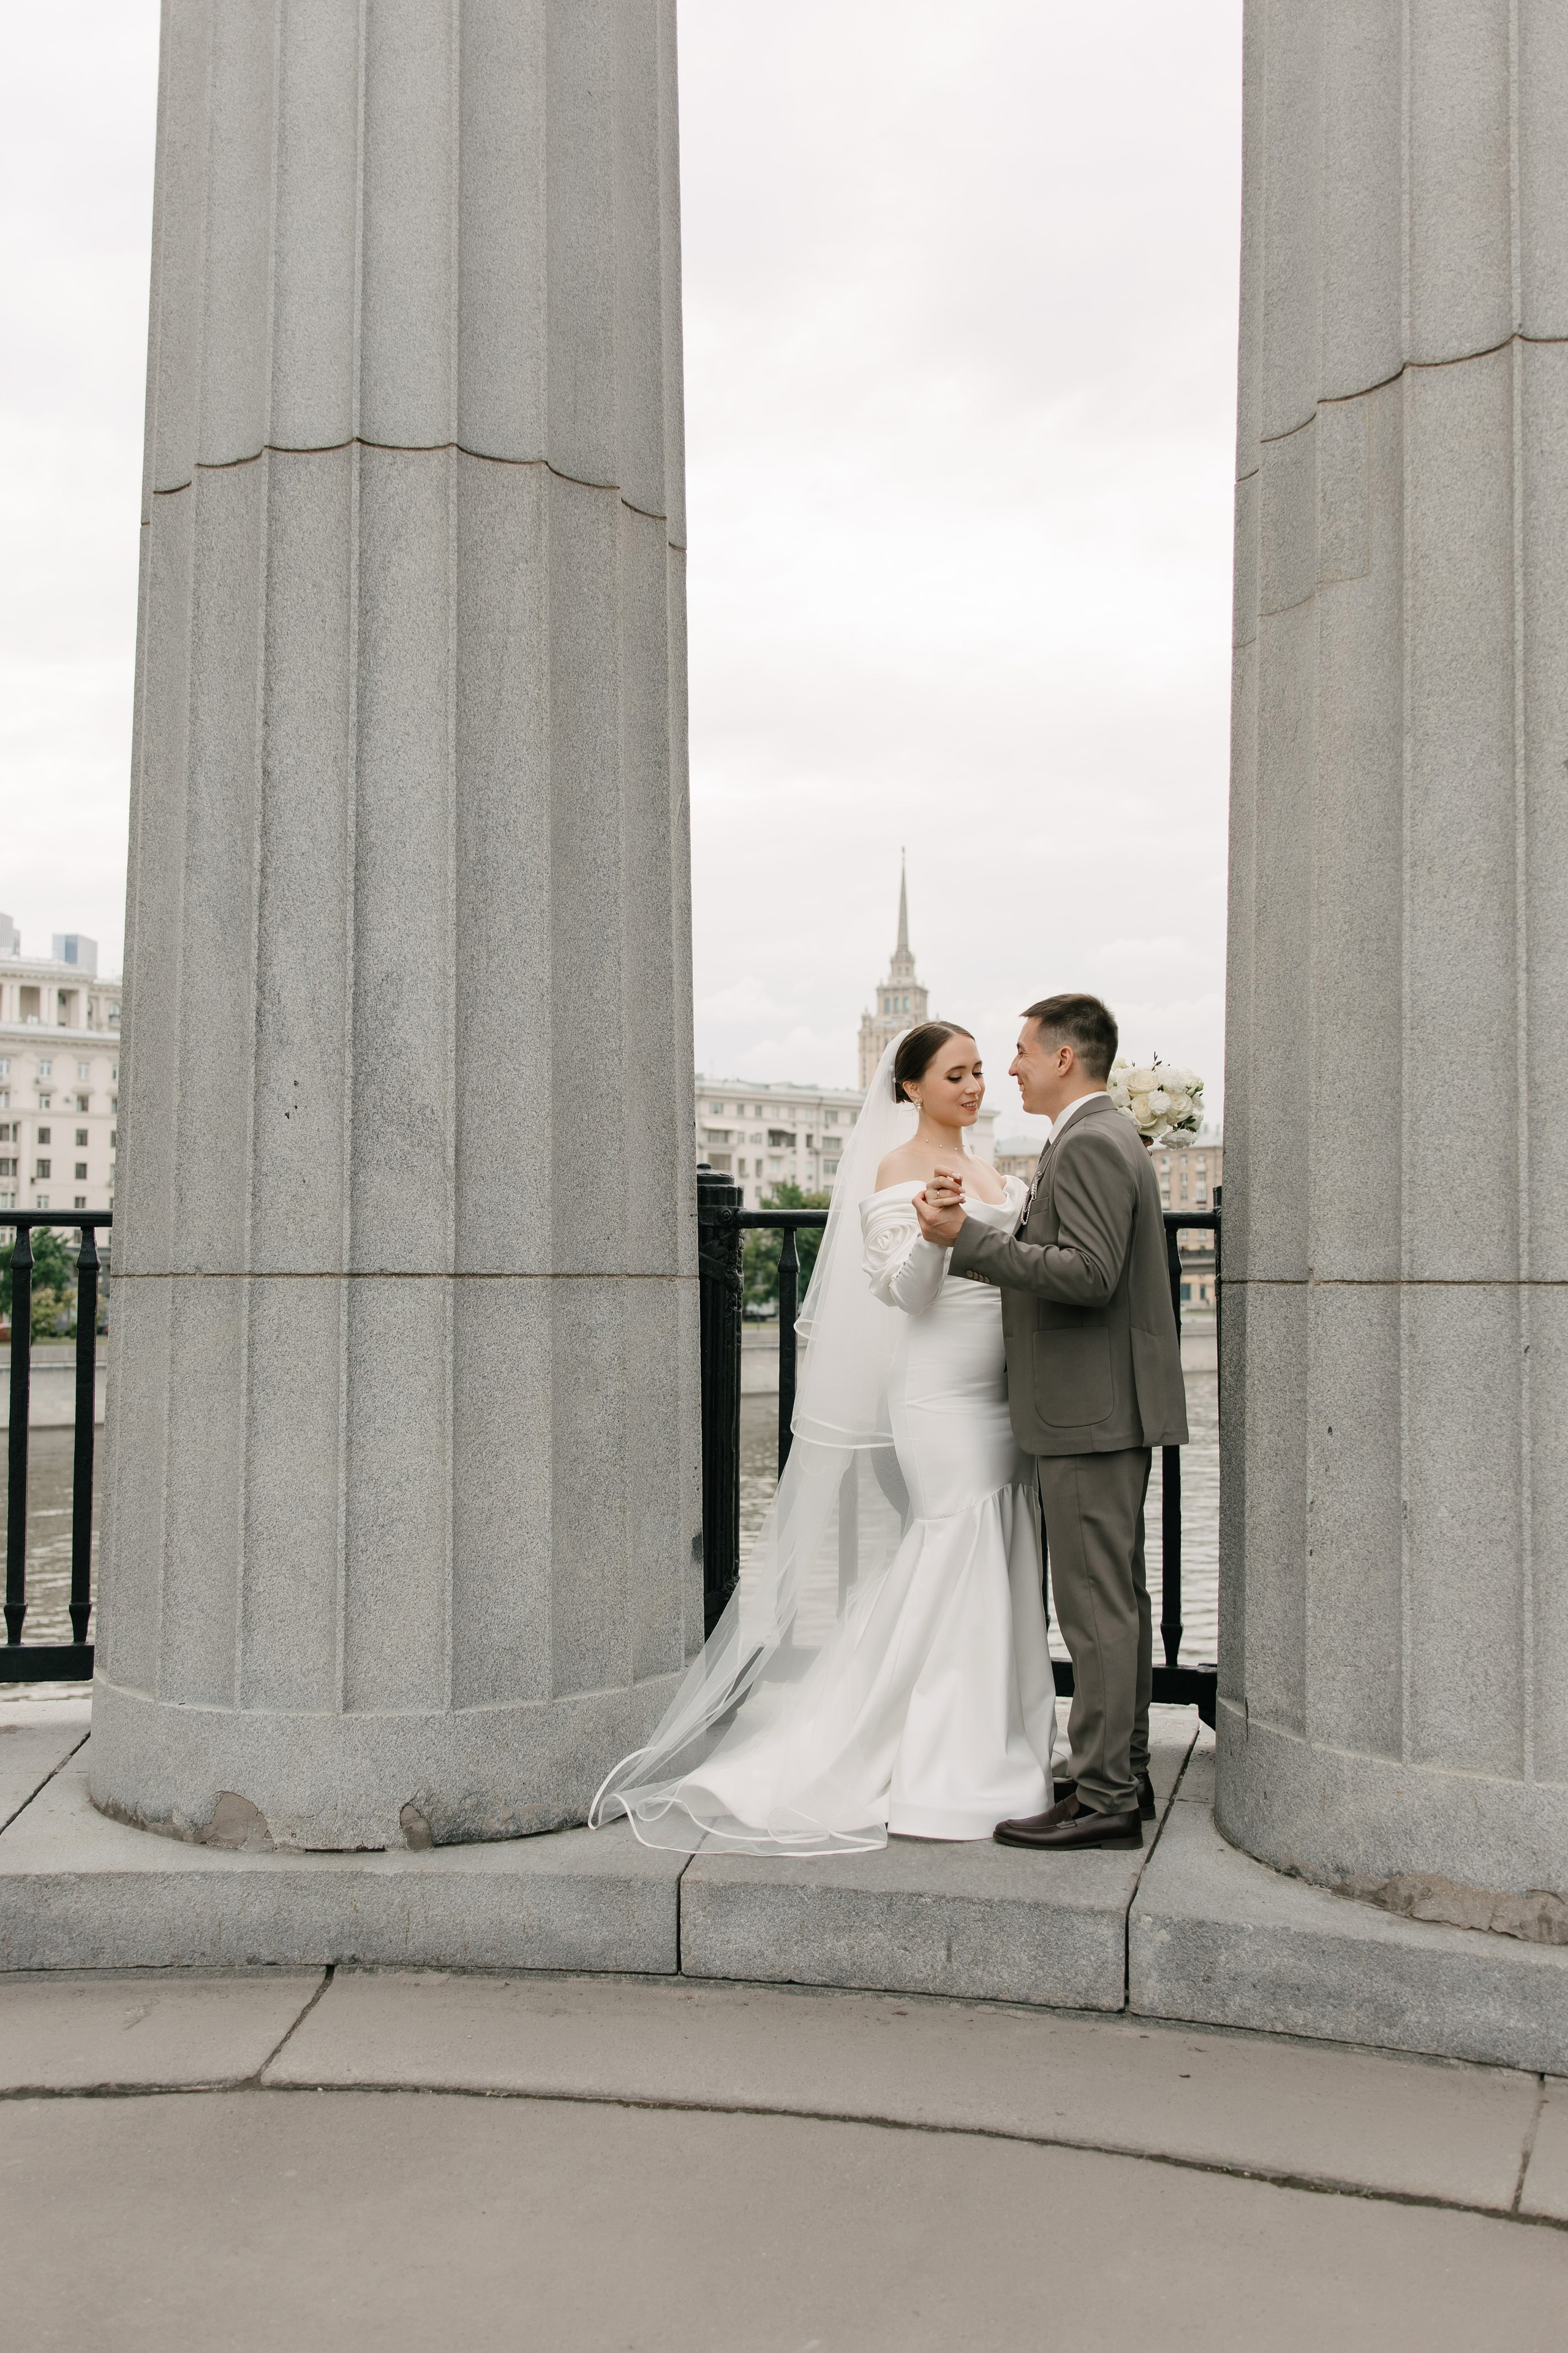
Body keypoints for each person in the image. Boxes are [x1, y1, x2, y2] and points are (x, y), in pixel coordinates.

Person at [590, 1024, 1059, 1854]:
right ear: (910, 1086)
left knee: (1001, 1543)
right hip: (940, 1395)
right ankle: (951, 1762)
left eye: (981, 1070)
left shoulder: (999, 1172)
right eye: (956, 1072)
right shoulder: (897, 1170)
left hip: (1003, 1389)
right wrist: (933, 1231)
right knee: (962, 1545)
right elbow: (904, 1295)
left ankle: (1000, 1737)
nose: (975, 1084)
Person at [916, 993, 1187, 1851]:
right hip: (1098, 1407)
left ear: (1066, 1057)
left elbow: (1092, 1271)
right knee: (1117, 1602)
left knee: (1096, 1607)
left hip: (1089, 1412)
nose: (1013, 1065)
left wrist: (968, 1241)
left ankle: (1104, 1794)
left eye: (1024, 1050)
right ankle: (1119, 1770)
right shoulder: (1097, 1136)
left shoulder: (1095, 1140)